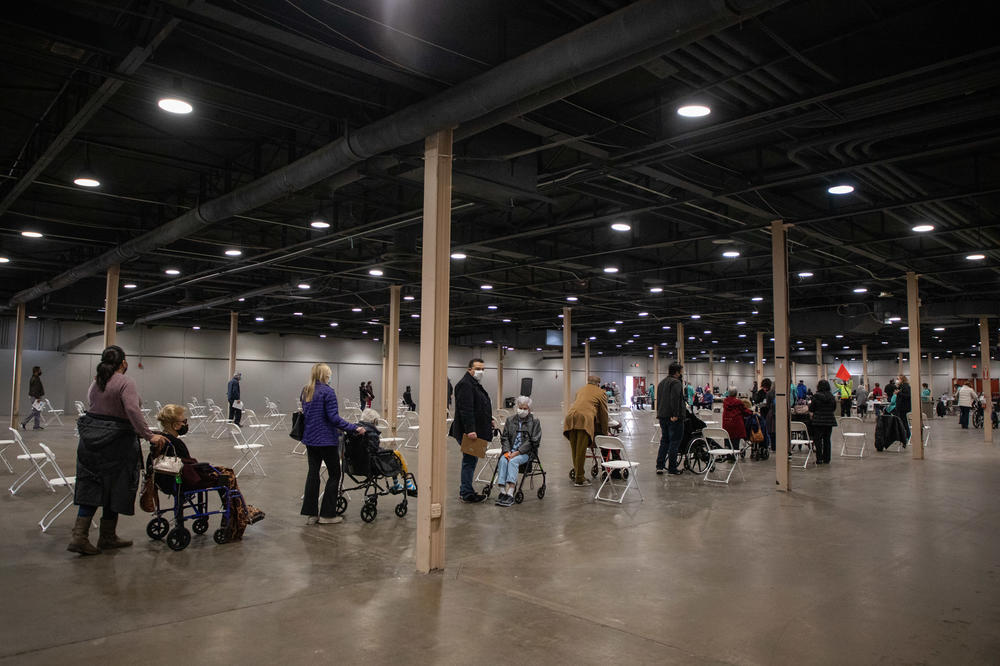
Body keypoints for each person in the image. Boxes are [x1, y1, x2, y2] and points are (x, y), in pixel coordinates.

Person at [70, 345, 168, 556]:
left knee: (91, 487)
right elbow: (132, 410)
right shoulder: (125, 382)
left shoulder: (96, 382)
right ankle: (107, 536)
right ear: (123, 363)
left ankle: (80, 536)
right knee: (116, 488)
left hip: (89, 444)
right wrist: (149, 435)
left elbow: (93, 407)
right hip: (116, 444)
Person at [148, 404, 264, 535]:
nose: (186, 424)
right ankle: (237, 514)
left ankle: (240, 510)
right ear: (175, 425)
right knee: (227, 475)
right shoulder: (176, 444)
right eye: (184, 421)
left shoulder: (160, 440)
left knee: (223, 470)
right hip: (184, 481)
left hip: (165, 481)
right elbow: (189, 467)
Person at [300, 363, 364, 525]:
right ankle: (327, 515)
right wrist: (354, 428)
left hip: (310, 440)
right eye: (329, 374)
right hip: (327, 440)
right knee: (334, 474)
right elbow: (334, 419)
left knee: (313, 474)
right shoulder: (328, 392)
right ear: (325, 375)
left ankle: (311, 514)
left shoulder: (306, 390)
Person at [449, 358, 493, 502]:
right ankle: (466, 493)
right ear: (470, 369)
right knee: (469, 460)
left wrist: (489, 419)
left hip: (475, 429)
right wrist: (470, 430)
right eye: (478, 369)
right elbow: (466, 410)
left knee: (471, 460)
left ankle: (466, 490)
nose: (481, 372)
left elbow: (479, 406)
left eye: (483, 369)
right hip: (468, 431)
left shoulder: (474, 383)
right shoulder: (465, 384)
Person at [356, 408, 416, 496]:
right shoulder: (370, 433)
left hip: (358, 462)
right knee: (396, 455)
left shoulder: (356, 430)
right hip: (372, 462)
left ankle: (397, 483)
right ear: (373, 421)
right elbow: (375, 450)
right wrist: (384, 450)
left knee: (392, 457)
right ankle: (407, 480)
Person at [495, 396, 542, 507]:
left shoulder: (535, 422)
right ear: (517, 407)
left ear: (529, 409)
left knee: (513, 462)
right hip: (510, 451)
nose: (522, 410)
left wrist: (518, 452)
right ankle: (502, 491)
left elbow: (533, 441)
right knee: (503, 460)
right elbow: (505, 437)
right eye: (520, 407)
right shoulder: (510, 420)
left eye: (525, 408)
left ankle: (510, 492)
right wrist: (507, 451)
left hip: (526, 453)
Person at [564, 375, 610, 486]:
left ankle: (578, 473)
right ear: (598, 383)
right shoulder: (601, 392)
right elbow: (603, 414)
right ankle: (579, 479)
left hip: (570, 417)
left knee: (575, 449)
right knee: (581, 449)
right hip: (584, 419)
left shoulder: (580, 390)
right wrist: (605, 432)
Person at [655, 363, 687, 475]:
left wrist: (659, 413)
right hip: (673, 417)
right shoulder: (676, 383)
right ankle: (672, 468)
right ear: (677, 372)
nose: (681, 374)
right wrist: (676, 414)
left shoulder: (661, 383)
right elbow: (675, 399)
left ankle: (659, 466)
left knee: (664, 441)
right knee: (674, 442)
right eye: (681, 372)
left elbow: (658, 400)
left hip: (662, 416)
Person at [809, 380, 838, 464]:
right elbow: (834, 408)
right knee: (827, 440)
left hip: (818, 421)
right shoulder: (831, 397)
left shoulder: (816, 396)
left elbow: (811, 409)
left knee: (818, 440)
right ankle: (827, 458)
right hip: (829, 421)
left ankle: (819, 459)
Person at [887, 374, 912, 440]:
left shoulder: (906, 386)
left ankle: (908, 436)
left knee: (905, 423)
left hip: (904, 408)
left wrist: (899, 393)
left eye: (898, 379)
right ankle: (903, 436)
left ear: (902, 379)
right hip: (900, 408)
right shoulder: (900, 387)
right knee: (902, 423)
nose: (897, 380)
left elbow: (908, 396)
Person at [21, 365, 45, 430]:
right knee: (35, 411)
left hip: (35, 396)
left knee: (37, 412)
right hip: (36, 397)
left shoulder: (35, 378)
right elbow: (35, 389)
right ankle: (24, 422)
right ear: (36, 371)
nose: (41, 371)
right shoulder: (35, 379)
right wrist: (38, 398)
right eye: (40, 370)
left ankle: (36, 426)